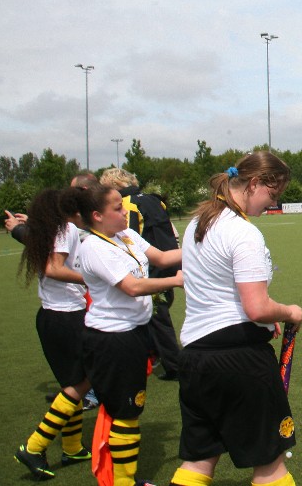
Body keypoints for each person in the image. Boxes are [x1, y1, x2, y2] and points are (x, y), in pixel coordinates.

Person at [167, 152, 302, 486]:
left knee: (198, 461)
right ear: (254, 183)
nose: (273, 203)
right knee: (270, 465)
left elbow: (220, 289)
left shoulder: (198, 223)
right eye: (273, 193)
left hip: (196, 359)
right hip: (239, 361)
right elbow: (256, 307)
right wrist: (289, 312)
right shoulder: (243, 232)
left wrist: (261, 318)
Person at [71, 183, 184, 486]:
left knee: (131, 407)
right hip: (112, 339)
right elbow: (132, 287)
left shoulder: (126, 234)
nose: (126, 211)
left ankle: (124, 479)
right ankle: (123, 481)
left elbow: (161, 258)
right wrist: (175, 281)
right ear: (97, 215)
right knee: (126, 411)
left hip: (134, 332)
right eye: (117, 208)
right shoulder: (94, 247)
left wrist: (202, 248)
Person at [13, 188, 93, 480]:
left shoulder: (48, 230)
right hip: (67, 317)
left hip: (50, 316)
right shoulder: (66, 229)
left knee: (71, 383)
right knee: (83, 381)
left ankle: (72, 447)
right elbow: (53, 268)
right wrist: (91, 278)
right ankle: (34, 446)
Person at [100, 168, 182, 381]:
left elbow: (127, 240)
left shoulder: (128, 204)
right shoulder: (154, 200)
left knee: (157, 318)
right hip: (166, 262)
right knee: (157, 316)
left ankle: (174, 365)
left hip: (149, 268)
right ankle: (158, 356)